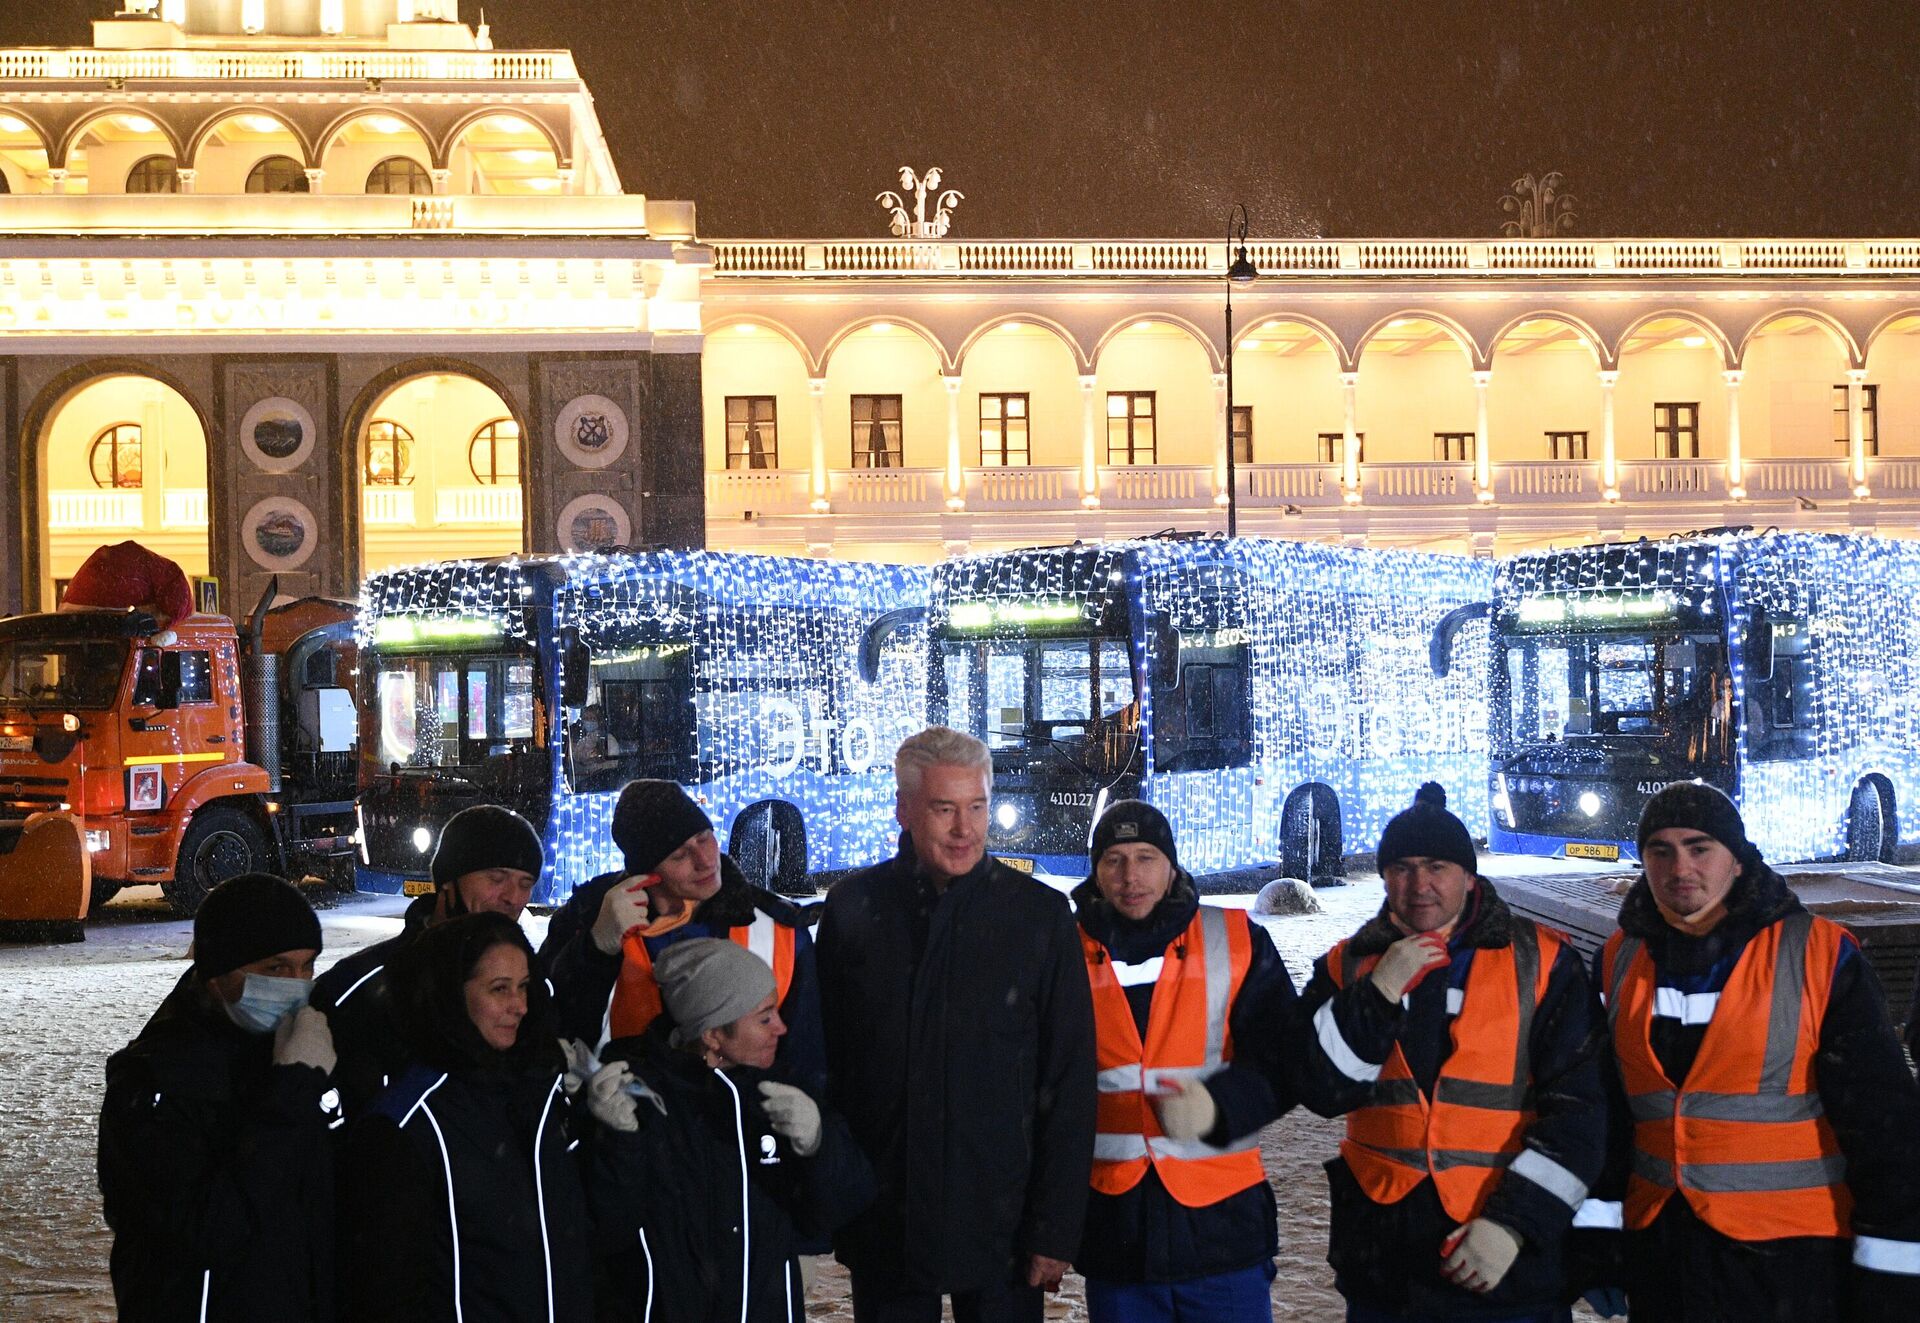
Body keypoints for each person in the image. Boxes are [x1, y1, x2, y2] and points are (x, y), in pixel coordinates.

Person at [1582, 783, 1920, 1322]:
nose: (1679, 868)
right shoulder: (1619, 960)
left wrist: (1892, 1268)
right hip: (1664, 1249)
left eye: (1699, 848)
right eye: (1660, 850)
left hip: (1793, 1260)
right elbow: (1604, 1116)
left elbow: (1886, 1126)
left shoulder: (1819, 956)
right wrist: (1597, 1240)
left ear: (1736, 861)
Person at [1292, 784, 1606, 1323]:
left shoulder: (1544, 964)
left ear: (1468, 874)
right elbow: (1321, 1091)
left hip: (1505, 1266)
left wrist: (1516, 1224)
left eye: (1436, 866)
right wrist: (1376, 995)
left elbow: (1583, 1113)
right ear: (1384, 877)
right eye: (1402, 868)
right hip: (1385, 1263)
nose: (1419, 886)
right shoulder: (1344, 969)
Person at [816, 725, 1097, 1323]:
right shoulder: (851, 911)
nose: (965, 830)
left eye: (977, 807)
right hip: (885, 1217)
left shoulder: (1039, 917)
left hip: (1005, 1222)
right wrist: (845, 1197)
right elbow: (829, 1070)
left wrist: (1054, 1227)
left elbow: (1069, 1081)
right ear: (904, 808)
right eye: (945, 809)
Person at [1071, 799, 1300, 1323]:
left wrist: (1220, 1106)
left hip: (1223, 1232)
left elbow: (1285, 1062)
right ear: (1096, 871)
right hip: (1116, 1236)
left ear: (1171, 865)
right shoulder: (1062, 951)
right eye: (1114, 860)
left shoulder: (1238, 940)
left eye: (1146, 857)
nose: (1131, 876)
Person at [584, 938, 875, 1322]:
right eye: (765, 1017)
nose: (782, 1028)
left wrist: (819, 1143)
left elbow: (839, 1208)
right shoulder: (639, 1097)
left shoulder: (780, 1093)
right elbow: (606, 1226)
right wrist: (619, 1142)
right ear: (713, 1034)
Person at [98, 872, 339, 1323]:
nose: (298, 985)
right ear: (216, 975)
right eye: (275, 968)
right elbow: (207, 1233)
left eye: (308, 966)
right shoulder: (154, 1082)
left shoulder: (303, 1052)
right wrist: (292, 1092)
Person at [339, 911, 592, 1323]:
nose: (519, 1007)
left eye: (524, 987)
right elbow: (388, 1290)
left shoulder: (539, 1094)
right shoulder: (407, 1123)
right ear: (452, 995)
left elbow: (577, 1241)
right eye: (499, 989)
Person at [541, 778, 825, 1094]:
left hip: (745, 1127)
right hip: (628, 1123)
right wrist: (594, 950)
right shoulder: (589, 921)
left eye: (705, 837)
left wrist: (811, 1127)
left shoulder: (779, 928)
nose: (705, 861)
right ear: (646, 870)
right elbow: (552, 1030)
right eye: (679, 855)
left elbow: (806, 1058)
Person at [312, 803, 543, 1117]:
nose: (512, 897)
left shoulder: (533, 986)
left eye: (525, 884)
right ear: (449, 879)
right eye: (496, 878)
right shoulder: (361, 987)